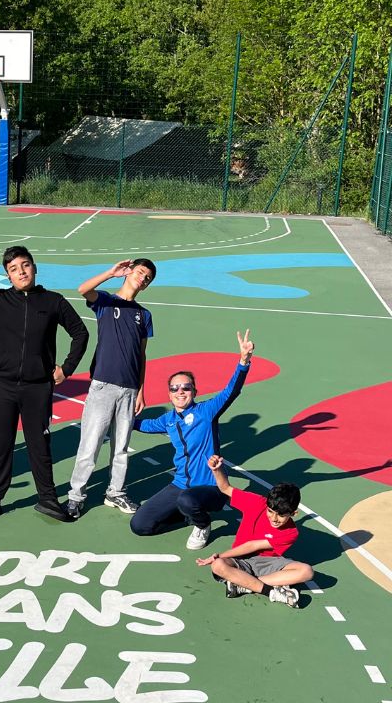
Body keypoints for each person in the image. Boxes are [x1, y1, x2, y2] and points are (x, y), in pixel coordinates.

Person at [0, 245, 89, 523]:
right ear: (8, 276)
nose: (21, 271)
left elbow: (80, 333)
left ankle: (48, 499)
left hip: (38, 387)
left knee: (39, 444)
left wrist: (67, 368)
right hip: (1, 386)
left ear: (34, 268)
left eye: (25, 265)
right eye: (13, 269)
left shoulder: (54, 301)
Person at [130, 329, 255, 549]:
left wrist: (243, 361)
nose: (180, 391)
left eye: (186, 387)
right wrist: (121, 417)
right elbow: (143, 425)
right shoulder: (167, 420)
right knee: (139, 525)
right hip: (180, 485)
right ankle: (186, 516)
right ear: (169, 394)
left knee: (187, 501)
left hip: (211, 487)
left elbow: (231, 391)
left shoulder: (207, 411)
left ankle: (203, 524)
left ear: (194, 391)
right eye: (175, 388)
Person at [67, 258, 156, 519]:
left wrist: (140, 389)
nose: (143, 278)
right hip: (103, 385)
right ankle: (76, 495)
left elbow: (142, 355)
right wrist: (111, 273)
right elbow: (83, 289)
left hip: (129, 390)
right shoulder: (106, 302)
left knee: (121, 447)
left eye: (148, 277)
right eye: (140, 272)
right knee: (90, 443)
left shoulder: (144, 315)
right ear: (129, 272)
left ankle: (115, 492)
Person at [195, 455, 313, 608]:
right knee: (218, 565)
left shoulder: (291, 532)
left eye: (282, 515)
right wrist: (217, 470)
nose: (274, 518)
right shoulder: (256, 503)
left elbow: (253, 545)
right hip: (241, 559)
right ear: (267, 504)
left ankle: (243, 584)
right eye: (271, 511)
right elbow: (225, 488)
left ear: (294, 513)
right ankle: (271, 592)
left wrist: (220, 555)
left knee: (307, 571)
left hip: (268, 564)